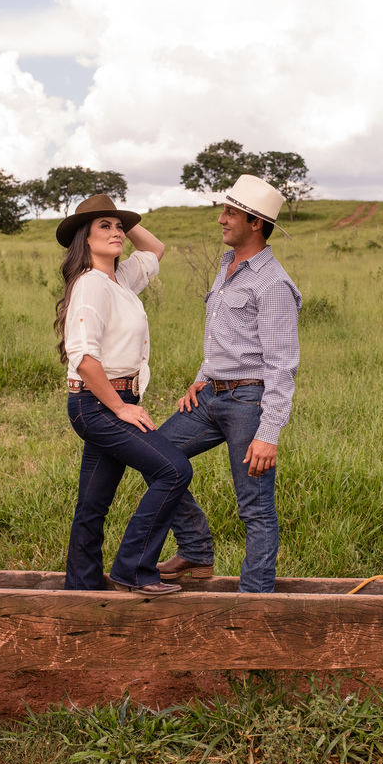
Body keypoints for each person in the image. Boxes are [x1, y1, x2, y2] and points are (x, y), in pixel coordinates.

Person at [155, 175, 301, 593]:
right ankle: (197, 551)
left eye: (230, 213)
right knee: (155, 457)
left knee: (254, 507)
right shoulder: (227, 268)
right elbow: (224, 339)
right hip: (210, 396)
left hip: (248, 403)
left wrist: (268, 433)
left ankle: (254, 601)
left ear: (255, 222)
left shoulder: (273, 283)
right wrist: (199, 380)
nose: (221, 219)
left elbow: (282, 365)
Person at [56, 194, 191, 595]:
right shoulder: (90, 285)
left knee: (93, 506)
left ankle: (81, 590)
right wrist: (119, 408)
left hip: (113, 403)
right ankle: (132, 569)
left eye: (119, 227)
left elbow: (154, 249)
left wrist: (120, 220)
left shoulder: (119, 279)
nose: (116, 233)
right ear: (85, 237)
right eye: (104, 227)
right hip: (98, 404)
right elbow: (83, 357)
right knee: (175, 470)